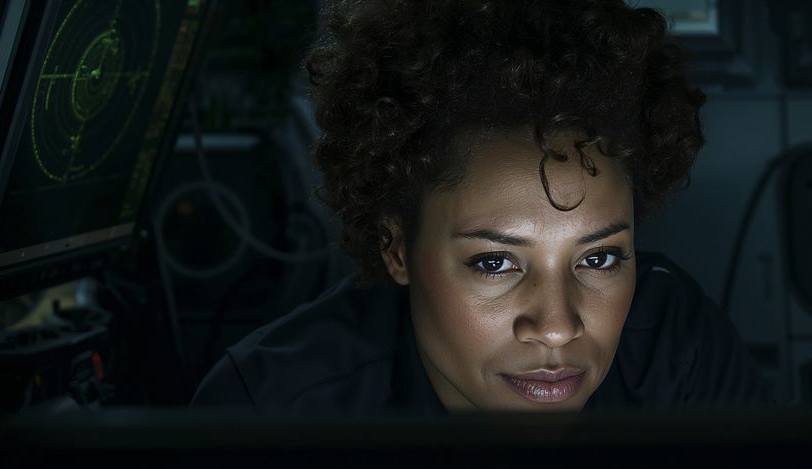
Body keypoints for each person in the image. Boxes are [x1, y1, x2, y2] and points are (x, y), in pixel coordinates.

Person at [191, 0, 774, 413]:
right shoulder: (271, 412)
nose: (556, 327)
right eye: (495, 262)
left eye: (598, 259)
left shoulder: (677, 350)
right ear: (396, 248)